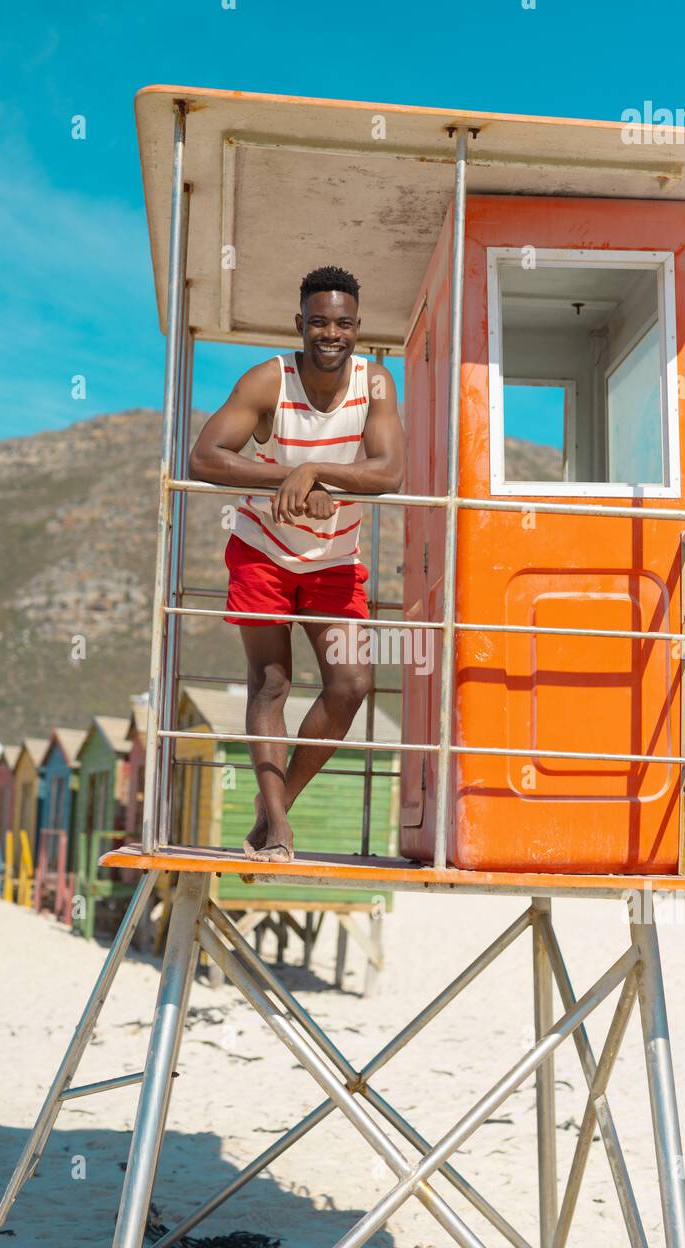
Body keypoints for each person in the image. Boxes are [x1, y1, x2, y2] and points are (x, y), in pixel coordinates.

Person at [189, 265, 405, 863]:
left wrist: (316, 472)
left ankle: (271, 809)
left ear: (357, 328)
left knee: (352, 683)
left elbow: (388, 472)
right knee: (272, 683)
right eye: (317, 322)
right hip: (263, 552)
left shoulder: (377, 384)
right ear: (300, 324)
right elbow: (205, 456)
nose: (329, 333)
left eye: (342, 323)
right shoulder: (268, 380)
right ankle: (281, 829)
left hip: (335, 559)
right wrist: (291, 475)